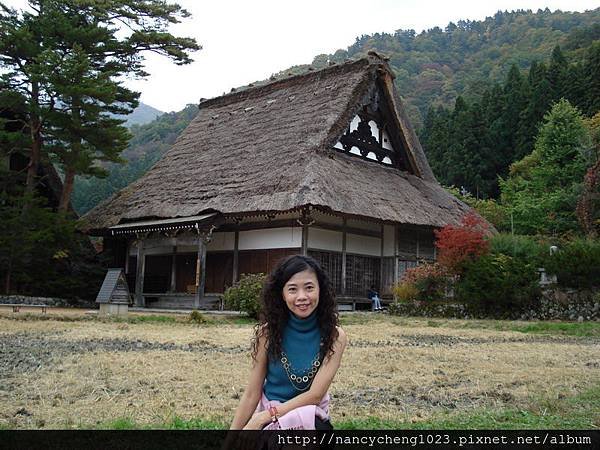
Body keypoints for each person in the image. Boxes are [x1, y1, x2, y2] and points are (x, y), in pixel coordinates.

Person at [230, 255, 347, 430]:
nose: (302, 297)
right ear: (282, 295)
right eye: (292, 289)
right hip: (270, 419)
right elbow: (251, 394)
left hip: (310, 417)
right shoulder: (267, 333)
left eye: (309, 288)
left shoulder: (335, 336)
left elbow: (315, 396)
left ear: (320, 290)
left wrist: (263, 417)